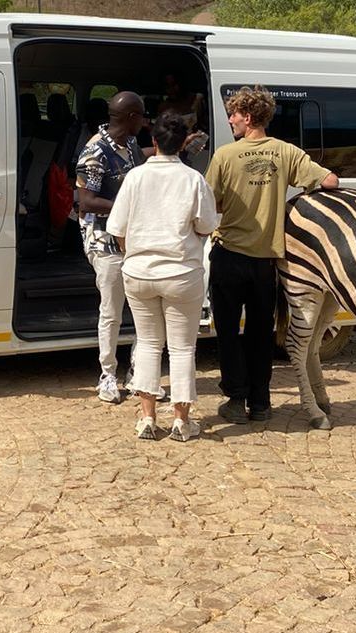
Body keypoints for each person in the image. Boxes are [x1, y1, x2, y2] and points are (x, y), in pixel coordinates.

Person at [204, 85, 339, 423]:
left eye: (234, 114)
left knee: (228, 331)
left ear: (248, 117)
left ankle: (235, 399)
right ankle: (261, 404)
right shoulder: (286, 152)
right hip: (267, 261)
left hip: (230, 255)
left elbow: (208, 203)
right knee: (261, 333)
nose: (231, 120)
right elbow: (331, 182)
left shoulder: (224, 155)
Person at [106, 113, 220, 442]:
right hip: (181, 272)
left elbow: (118, 229)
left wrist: (134, 254)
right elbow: (206, 225)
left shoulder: (135, 178)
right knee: (183, 348)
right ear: (184, 143)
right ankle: (182, 421)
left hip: (139, 271)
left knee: (149, 344)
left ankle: (147, 417)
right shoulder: (193, 180)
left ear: (153, 142)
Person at [74, 90, 148, 404]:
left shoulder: (131, 145)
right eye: (142, 116)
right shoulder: (95, 151)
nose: (145, 121)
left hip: (133, 239)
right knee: (112, 312)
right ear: (131, 117)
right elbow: (85, 201)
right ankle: (107, 375)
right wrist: (127, 206)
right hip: (104, 242)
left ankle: (137, 372)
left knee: (142, 310)